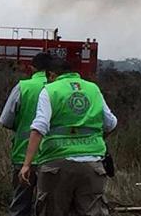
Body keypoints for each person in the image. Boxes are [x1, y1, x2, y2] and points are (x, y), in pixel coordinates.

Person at [19, 57, 117, 216]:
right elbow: (111, 123)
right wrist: (94, 141)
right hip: (92, 165)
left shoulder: (50, 90)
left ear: (51, 75)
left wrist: (26, 164)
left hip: (56, 164)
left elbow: (39, 128)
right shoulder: (93, 89)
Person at [0, 52, 53, 216]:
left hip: (23, 155)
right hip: (53, 156)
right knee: (50, 207)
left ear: (32, 67)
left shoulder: (23, 87)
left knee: (20, 205)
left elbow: (5, 120)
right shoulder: (57, 89)